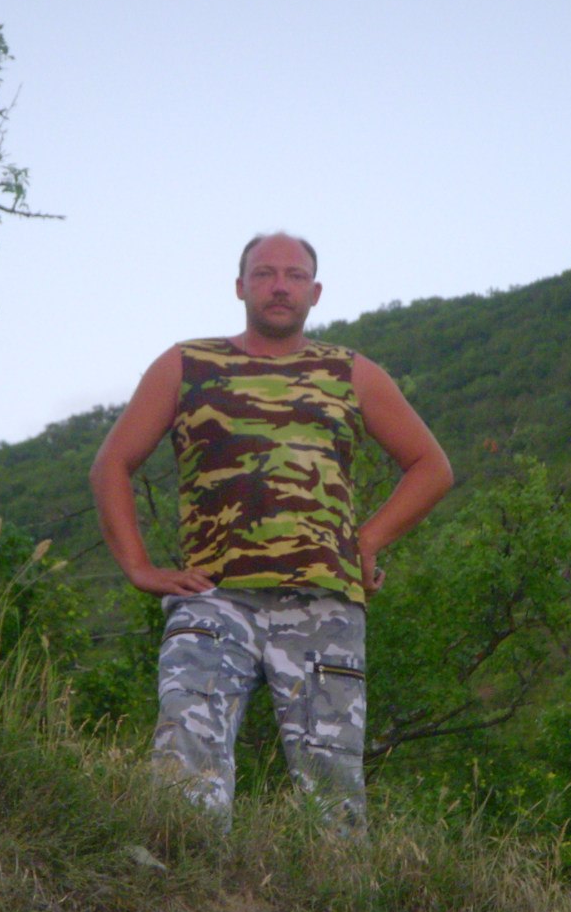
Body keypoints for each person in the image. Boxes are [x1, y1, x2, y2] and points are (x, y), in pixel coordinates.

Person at [90, 232, 453, 832]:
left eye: (294, 275)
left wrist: (365, 541)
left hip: (324, 604)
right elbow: (111, 464)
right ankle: (182, 875)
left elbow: (431, 467)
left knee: (331, 781)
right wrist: (139, 568)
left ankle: (337, 893)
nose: (279, 286)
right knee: (185, 755)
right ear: (240, 287)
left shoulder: (351, 372)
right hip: (212, 598)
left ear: (315, 291)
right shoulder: (187, 365)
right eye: (264, 274)